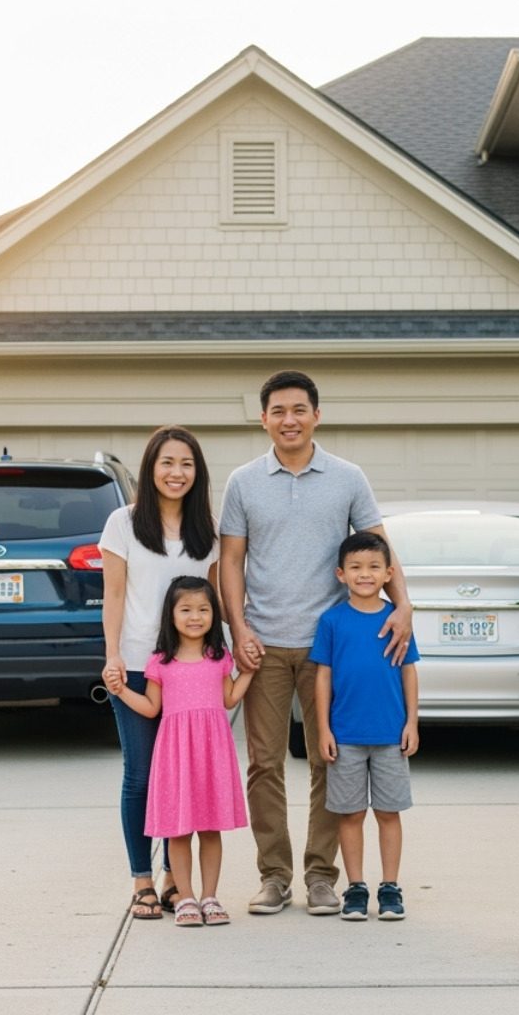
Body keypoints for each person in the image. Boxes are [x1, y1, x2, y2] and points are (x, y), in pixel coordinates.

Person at [218, 370, 413, 917]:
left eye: (299, 409)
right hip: (266, 643)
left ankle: (323, 875)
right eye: (278, 411)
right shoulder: (243, 482)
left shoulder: (348, 477)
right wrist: (240, 629)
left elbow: (380, 547)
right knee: (263, 763)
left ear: (316, 415)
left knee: (334, 760)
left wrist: (405, 604)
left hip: (333, 646)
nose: (289, 420)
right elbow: (231, 560)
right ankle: (275, 875)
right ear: (263, 419)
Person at [100, 426, 219, 921]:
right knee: (143, 776)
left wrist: (239, 644)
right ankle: (142, 880)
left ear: (198, 472)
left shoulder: (206, 530)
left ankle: (178, 882)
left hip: (191, 671)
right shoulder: (122, 524)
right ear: (151, 469)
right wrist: (112, 655)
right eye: (167, 463)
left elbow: (214, 600)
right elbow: (115, 595)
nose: (177, 473)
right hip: (134, 666)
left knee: (187, 779)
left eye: (187, 464)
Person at [106, 577, 254, 926]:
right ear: (170, 616)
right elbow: (151, 708)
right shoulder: (160, 662)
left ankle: (210, 897)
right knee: (179, 829)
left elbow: (230, 698)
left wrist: (248, 671)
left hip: (211, 754)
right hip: (176, 755)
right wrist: (122, 690)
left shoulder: (219, 658)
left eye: (203, 609)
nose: (195, 616)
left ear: (214, 615)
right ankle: (185, 897)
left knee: (211, 828)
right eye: (185, 609)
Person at [312, 531, 420, 921]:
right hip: (346, 736)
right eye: (356, 567)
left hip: (391, 735)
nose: (365, 574)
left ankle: (390, 887)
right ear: (341, 574)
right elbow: (323, 678)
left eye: (374, 567)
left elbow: (408, 673)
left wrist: (412, 722)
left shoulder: (398, 619)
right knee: (351, 813)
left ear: (388, 572)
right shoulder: (332, 621)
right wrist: (324, 729)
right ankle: (356, 887)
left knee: (389, 813)